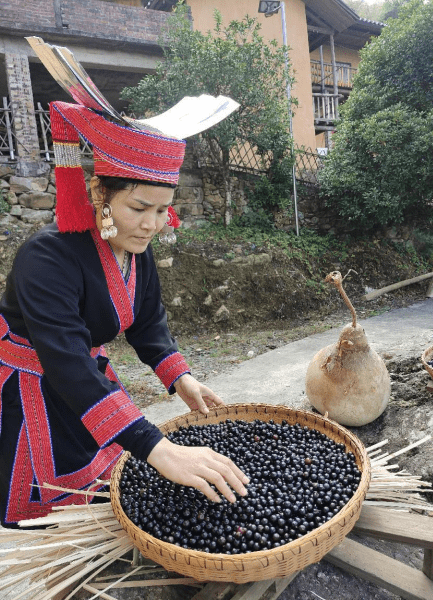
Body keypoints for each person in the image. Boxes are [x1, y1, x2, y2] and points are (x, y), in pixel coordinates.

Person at [0, 100, 248, 528]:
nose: (151, 224)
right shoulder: (46, 257)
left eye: (161, 210)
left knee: (105, 474)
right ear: (100, 193)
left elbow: (148, 322)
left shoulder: (137, 251)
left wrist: (181, 378)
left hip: (81, 376)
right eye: (139, 208)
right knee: (47, 502)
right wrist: (158, 447)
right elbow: (68, 363)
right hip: (33, 381)